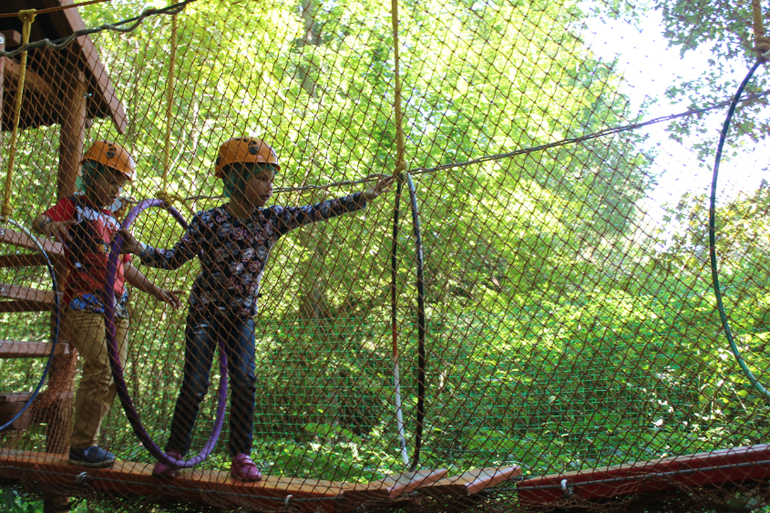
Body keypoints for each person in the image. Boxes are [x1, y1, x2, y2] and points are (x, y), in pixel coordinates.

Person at [122, 137, 394, 481]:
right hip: (205, 314)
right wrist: (140, 248)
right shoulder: (207, 222)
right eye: (261, 179)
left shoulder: (271, 220)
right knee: (194, 383)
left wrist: (361, 198)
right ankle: (175, 451)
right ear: (236, 179)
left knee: (246, 380)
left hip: (241, 317)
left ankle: (240, 454)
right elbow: (173, 259)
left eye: (271, 180)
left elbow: (315, 211)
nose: (269, 188)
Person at [32, 140, 182, 469]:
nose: (115, 189)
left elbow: (125, 268)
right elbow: (39, 221)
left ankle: (88, 443)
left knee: (115, 374)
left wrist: (159, 292)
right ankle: (82, 445)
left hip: (117, 308)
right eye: (110, 180)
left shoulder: (117, 223)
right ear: (92, 175)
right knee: (101, 365)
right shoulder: (75, 206)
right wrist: (53, 226)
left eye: (120, 183)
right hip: (84, 303)